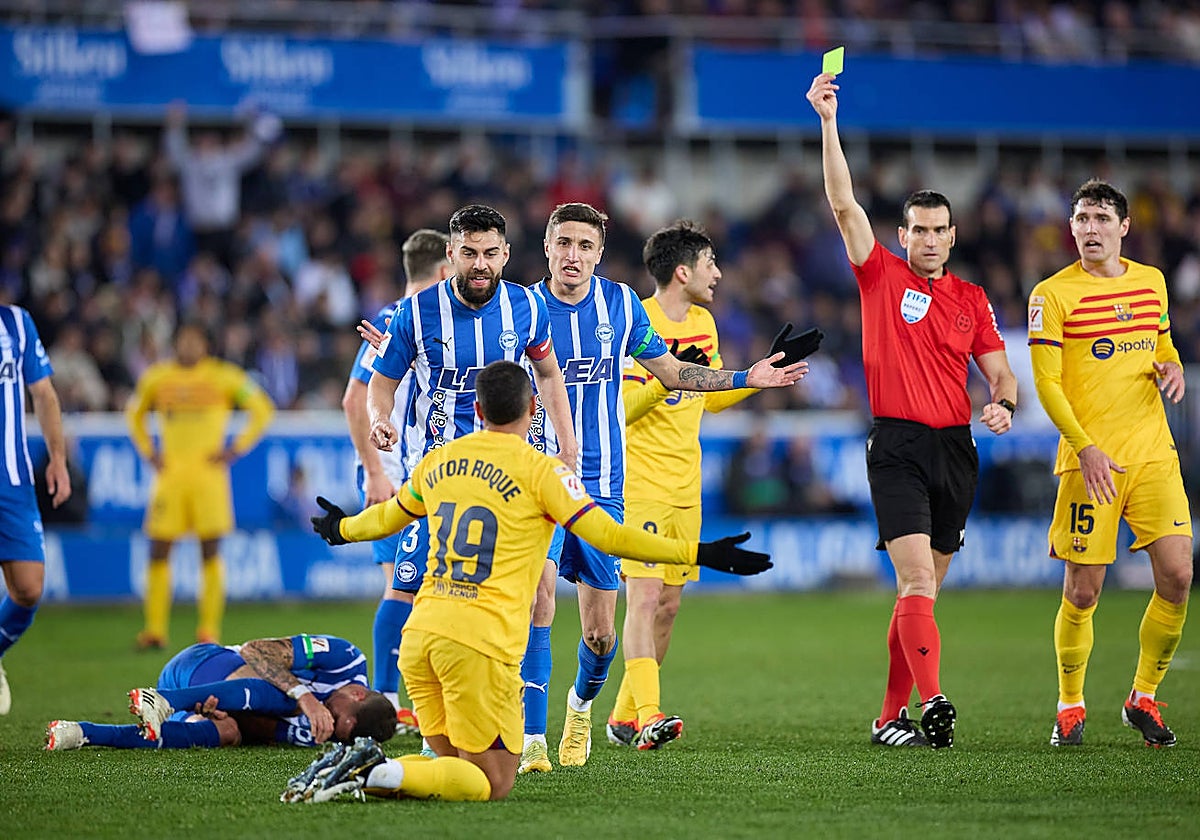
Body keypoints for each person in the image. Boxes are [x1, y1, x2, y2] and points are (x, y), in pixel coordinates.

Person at [287, 360, 772, 804]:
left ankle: (362, 772)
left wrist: (340, 529)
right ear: (535, 407)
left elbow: (386, 519)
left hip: (420, 639)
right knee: (493, 783)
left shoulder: (440, 462)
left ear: (477, 409)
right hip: (476, 647)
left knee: (452, 764)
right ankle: (371, 774)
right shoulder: (544, 472)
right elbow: (611, 535)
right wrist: (698, 552)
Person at [518, 204, 811, 773]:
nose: (572, 255)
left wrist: (748, 377)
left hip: (603, 486)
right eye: (563, 243)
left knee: (602, 632)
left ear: (600, 254)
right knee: (539, 601)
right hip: (538, 479)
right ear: (547, 247)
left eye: (584, 245)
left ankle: (583, 709)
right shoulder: (520, 308)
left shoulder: (621, 306)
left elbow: (675, 375)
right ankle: (533, 740)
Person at [807, 72, 1018, 749]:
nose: (927, 239)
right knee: (917, 577)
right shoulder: (880, 275)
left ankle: (887, 717)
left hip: (957, 449)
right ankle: (934, 702)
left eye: (938, 230)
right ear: (901, 235)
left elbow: (1000, 371)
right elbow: (842, 204)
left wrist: (1004, 403)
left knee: (918, 596)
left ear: (953, 237)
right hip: (896, 445)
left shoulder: (973, 299)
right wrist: (828, 122)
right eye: (917, 229)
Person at [606, 219, 822, 751]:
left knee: (670, 606)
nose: (719, 274)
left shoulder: (703, 321)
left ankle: (622, 716)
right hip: (641, 483)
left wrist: (755, 376)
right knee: (643, 598)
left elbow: (707, 393)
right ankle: (650, 714)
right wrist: (667, 377)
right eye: (710, 264)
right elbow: (620, 412)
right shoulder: (636, 321)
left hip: (686, 484)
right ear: (683, 271)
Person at [359, 204, 578, 727]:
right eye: (469, 253)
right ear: (450, 254)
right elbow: (381, 382)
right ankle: (419, 707)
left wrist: (567, 447)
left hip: (519, 468)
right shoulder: (415, 314)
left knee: (539, 592)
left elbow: (548, 376)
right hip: (444, 474)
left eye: (489, 253)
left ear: (504, 254)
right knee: (430, 591)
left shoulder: (526, 306)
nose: (479, 264)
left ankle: (531, 734)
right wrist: (380, 418)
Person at [1028, 179, 1192, 748]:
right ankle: (1069, 705)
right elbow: (1046, 384)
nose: (1090, 228)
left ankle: (1143, 697)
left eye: (1101, 217)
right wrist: (1084, 445)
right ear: (1070, 228)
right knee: (1083, 592)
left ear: (1124, 227)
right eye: (1081, 218)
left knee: (1178, 576)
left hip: (1152, 453)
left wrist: (1174, 368)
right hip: (1089, 461)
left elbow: (1163, 346)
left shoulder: (1152, 283)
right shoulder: (1051, 295)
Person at [342, 228, 451, 729]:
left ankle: (402, 698)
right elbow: (354, 400)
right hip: (397, 475)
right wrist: (373, 473)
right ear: (445, 268)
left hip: (421, 472)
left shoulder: (428, 319)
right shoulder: (396, 321)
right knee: (401, 587)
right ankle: (385, 700)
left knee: (417, 588)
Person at [126, 321, 275, 650]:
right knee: (158, 549)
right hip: (170, 478)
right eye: (183, 339)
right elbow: (133, 413)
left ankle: (208, 630)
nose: (188, 346)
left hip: (209, 478)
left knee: (211, 550)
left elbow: (262, 409)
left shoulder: (224, 376)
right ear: (176, 342)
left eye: (195, 339)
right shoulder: (157, 377)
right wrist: (149, 453)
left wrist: (236, 448)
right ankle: (155, 631)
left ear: (205, 345)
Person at [46, 633, 395, 750]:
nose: (330, 723)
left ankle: (82, 733)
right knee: (291, 700)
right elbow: (256, 650)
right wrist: (305, 697)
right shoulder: (346, 659)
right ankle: (163, 701)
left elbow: (260, 729)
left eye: (338, 732)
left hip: (215, 700)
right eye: (338, 716)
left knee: (227, 733)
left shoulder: (322, 734)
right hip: (203, 661)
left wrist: (235, 717)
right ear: (358, 695)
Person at [0, 304, 71, 715]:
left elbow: (43, 393)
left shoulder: (16, 323)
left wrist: (57, 458)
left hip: (12, 481)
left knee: (27, 589)